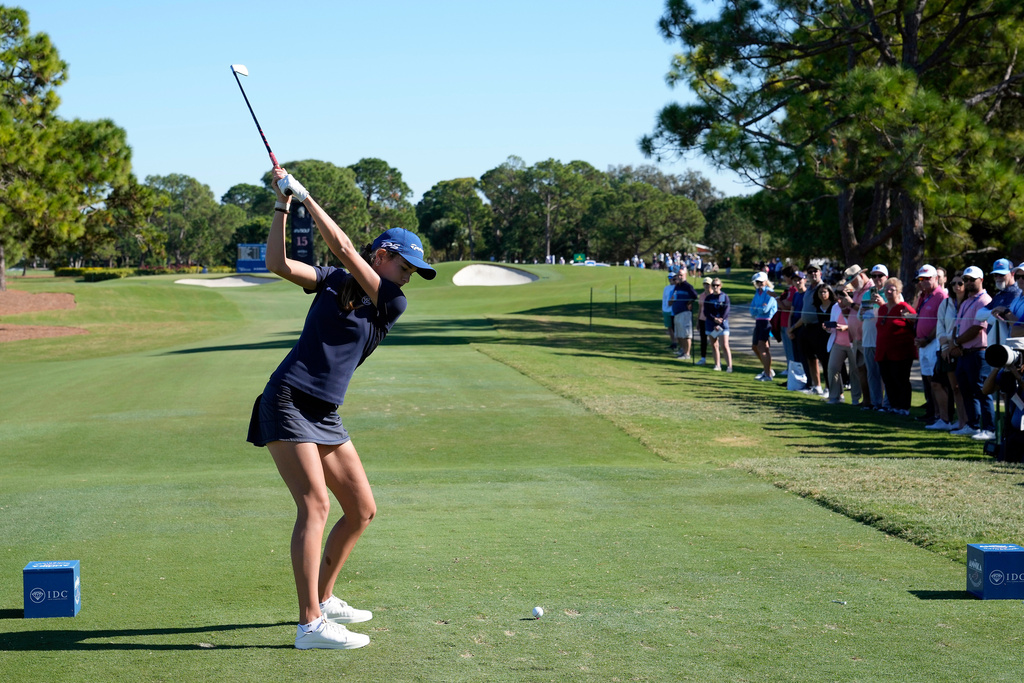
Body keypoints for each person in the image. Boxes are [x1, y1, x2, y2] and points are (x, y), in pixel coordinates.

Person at [247, 166, 436, 650]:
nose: (407, 277)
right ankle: (310, 624)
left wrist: (307, 195)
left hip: (324, 411)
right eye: (403, 266)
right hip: (288, 397)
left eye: (412, 271)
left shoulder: (390, 304)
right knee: (315, 503)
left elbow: (346, 249)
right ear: (383, 255)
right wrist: (283, 204)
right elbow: (279, 264)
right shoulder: (331, 281)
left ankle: (325, 598)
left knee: (362, 510)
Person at [950, 266, 995, 440]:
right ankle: (973, 425)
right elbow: (958, 326)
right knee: (966, 390)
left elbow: (977, 328)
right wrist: (957, 343)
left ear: (981, 280)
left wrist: (956, 342)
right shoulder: (967, 300)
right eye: (966, 279)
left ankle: (989, 429)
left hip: (978, 353)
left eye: (971, 279)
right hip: (965, 352)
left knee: (982, 391)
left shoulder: (984, 300)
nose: (968, 282)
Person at [875, 277, 917, 416]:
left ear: (898, 291)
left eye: (892, 289)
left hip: (901, 352)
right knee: (888, 380)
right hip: (883, 352)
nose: (888, 291)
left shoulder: (904, 308)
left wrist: (910, 316)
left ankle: (904, 407)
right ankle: (893, 406)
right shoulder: (882, 309)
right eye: (886, 289)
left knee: (901, 379)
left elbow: (916, 322)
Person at [912, 265, 948, 426]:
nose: (924, 282)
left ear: (936, 278)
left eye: (927, 278)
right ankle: (933, 413)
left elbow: (940, 323)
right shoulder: (925, 296)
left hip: (933, 343)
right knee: (929, 381)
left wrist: (926, 338)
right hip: (924, 344)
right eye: (921, 279)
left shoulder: (941, 296)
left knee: (937, 382)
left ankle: (942, 416)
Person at [932, 272, 968, 431]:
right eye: (953, 283)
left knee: (959, 388)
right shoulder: (946, 304)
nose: (956, 286)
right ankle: (947, 419)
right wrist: (945, 346)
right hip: (946, 349)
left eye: (960, 283)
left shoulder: (969, 303)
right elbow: (940, 326)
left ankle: (964, 422)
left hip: (963, 349)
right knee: (941, 384)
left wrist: (955, 345)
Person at [860, 264, 890, 411]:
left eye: (880, 276)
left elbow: (895, 314)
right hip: (868, 338)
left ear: (887, 277)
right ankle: (875, 403)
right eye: (874, 276)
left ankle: (886, 404)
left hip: (884, 340)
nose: (877, 279)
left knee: (885, 373)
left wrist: (882, 303)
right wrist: (863, 311)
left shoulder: (892, 293)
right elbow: (860, 316)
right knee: (872, 373)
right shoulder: (867, 294)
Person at [826, 285, 861, 405]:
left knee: (854, 371)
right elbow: (833, 324)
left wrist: (846, 327)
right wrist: (828, 328)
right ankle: (835, 397)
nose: (839, 301)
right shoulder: (835, 307)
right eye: (838, 298)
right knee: (832, 368)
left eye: (842, 298)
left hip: (852, 343)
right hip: (838, 342)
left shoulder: (854, 307)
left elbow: (858, 323)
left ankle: (855, 399)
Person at [750, 271, 778, 380]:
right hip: (759, 321)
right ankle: (768, 370)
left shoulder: (769, 292)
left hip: (767, 322)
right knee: (755, 347)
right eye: (758, 281)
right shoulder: (758, 292)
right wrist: (759, 308)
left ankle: (767, 374)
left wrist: (758, 309)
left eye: (761, 281)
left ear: (766, 281)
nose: (759, 283)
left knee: (763, 347)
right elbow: (751, 310)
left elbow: (765, 309)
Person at [704, 277, 733, 372]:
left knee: (724, 345)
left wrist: (721, 320)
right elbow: (706, 311)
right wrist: (714, 319)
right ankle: (717, 365)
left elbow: (727, 310)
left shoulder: (725, 296)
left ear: (720, 286)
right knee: (714, 345)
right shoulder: (708, 297)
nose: (715, 287)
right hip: (711, 323)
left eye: (717, 285)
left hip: (722, 325)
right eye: (713, 285)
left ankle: (729, 366)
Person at [671, 269, 699, 360]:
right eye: (678, 275)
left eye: (681, 275)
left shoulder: (688, 286)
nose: (679, 277)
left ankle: (687, 354)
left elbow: (695, 296)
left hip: (685, 312)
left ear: (685, 275)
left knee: (686, 334)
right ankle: (683, 350)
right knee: (679, 334)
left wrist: (689, 303)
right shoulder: (677, 286)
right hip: (677, 312)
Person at [696, 277, 712, 365]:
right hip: (702, 319)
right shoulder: (702, 295)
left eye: (708, 284)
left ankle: (717, 360)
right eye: (705, 284)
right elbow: (700, 309)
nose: (706, 286)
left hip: (711, 320)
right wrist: (697, 321)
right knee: (703, 340)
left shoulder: (713, 295)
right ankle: (703, 358)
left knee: (714, 340)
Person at [662, 272, 677, 353]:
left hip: (673, 310)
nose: (671, 279)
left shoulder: (676, 287)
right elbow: (664, 299)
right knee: (669, 327)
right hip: (666, 310)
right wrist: (663, 309)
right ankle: (673, 342)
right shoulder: (666, 288)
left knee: (675, 327)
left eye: (672, 278)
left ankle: (677, 343)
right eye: (669, 278)